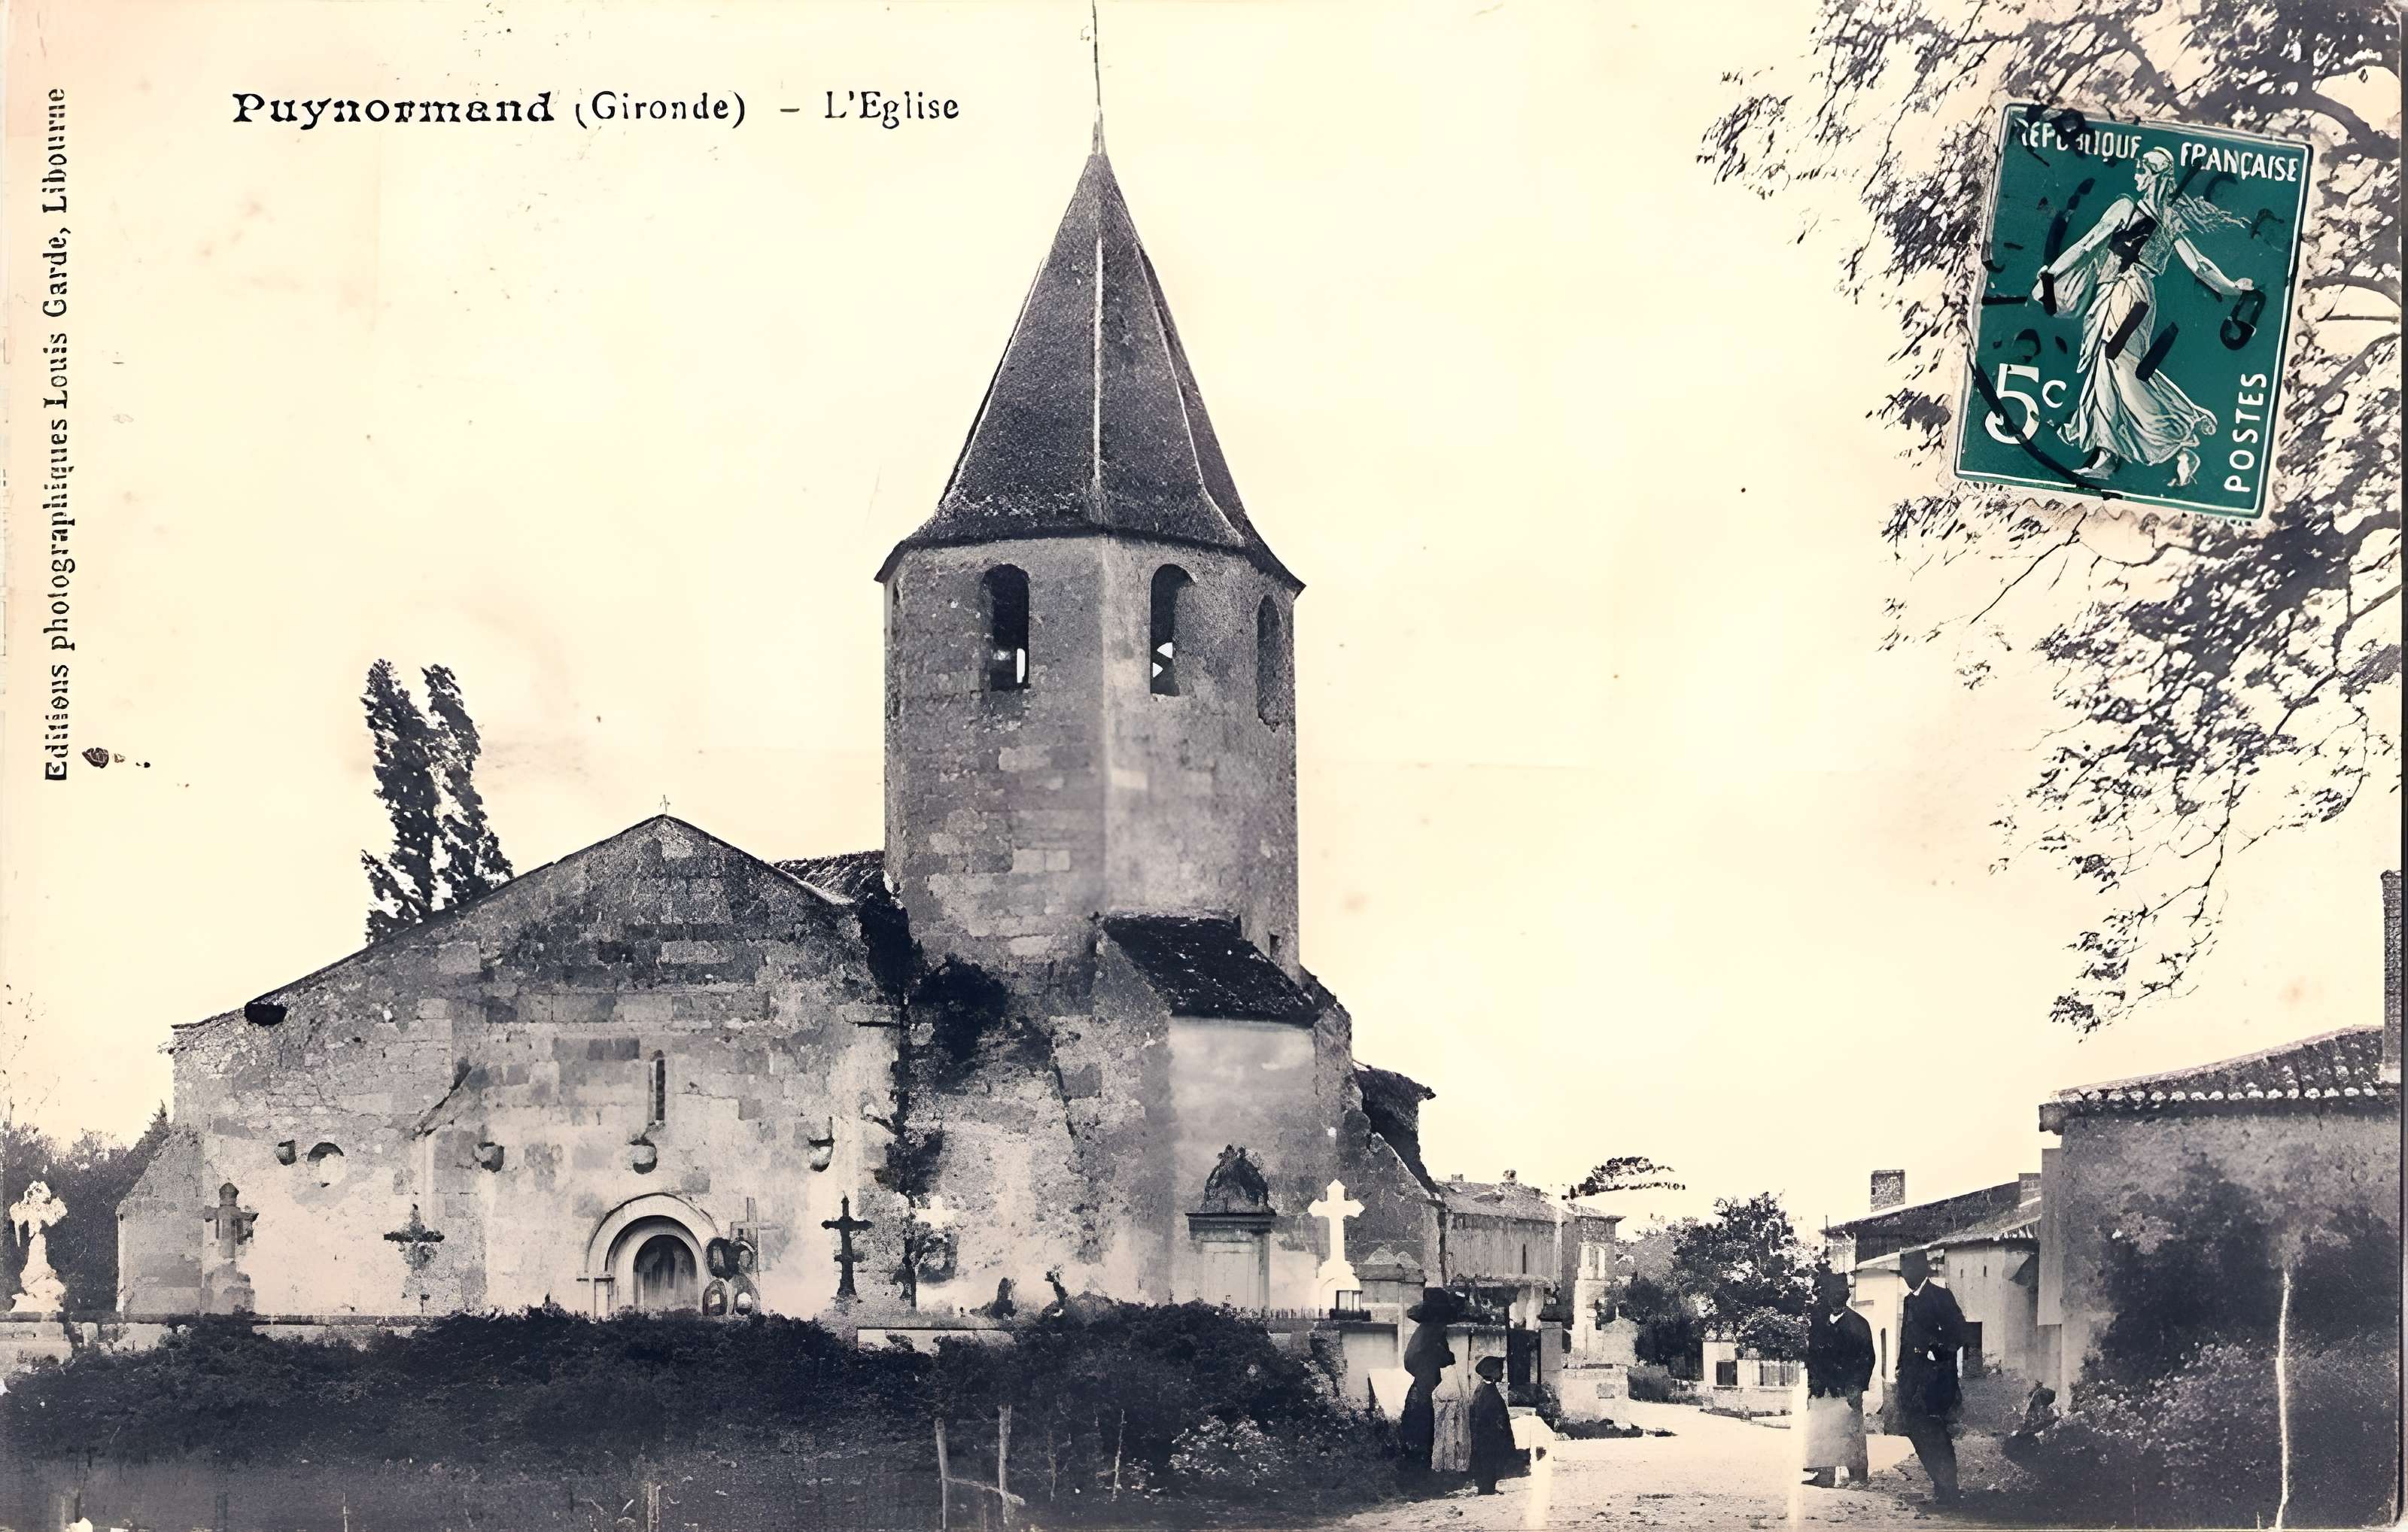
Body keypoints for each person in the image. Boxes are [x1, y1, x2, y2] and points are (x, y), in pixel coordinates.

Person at [2029, 144, 2258, 489]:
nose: (2136, 176)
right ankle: (2155, 443)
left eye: (2142, 170)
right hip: (2115, 293)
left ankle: (2144, 442)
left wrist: (2233, 289)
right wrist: (2051, 274)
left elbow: (2195, 264)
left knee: (2115, 364)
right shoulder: (2140, 211)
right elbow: (2089, 245)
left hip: (2130, 293)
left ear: (2157, 176)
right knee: (2108, 367)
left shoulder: (2158, 216)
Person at [1893, 1248, 1968, 1505]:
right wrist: (1901, 1366)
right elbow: (1907, 1339)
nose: (1906, 1274)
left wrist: (1934, 1352)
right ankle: (1940, 1484)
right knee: (1917, 1432)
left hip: (1936, 1380)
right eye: (1903, 1269)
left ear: (1923, 1268)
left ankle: (1949, 1490)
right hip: (1912, 1381)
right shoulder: (1909, 1300)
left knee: (1936, 1432)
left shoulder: (1941, 1297)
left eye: (1910, 1267)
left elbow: (1958, 1335)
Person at [1801, 1268, 1874, 1488]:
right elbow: (1812, 1354)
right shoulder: (1818, 1323)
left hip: (1848, 1387)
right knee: (1824, 1429)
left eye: (1840, 1293)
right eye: (1831, 1293)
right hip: (1824, 1386)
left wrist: (1857, 1386)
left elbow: (1867, 1358)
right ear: (1826, 1295)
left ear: (1847, 1296)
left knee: (1851, 1431)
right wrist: (1812, 1383)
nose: (1835, 1298)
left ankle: (1858, 1477)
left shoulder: (1859, 1324)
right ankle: (1824, 1475)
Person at [1398, 1289, 1458, 1485]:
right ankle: (1418, 1477)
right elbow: (1445, 1358)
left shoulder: (1426, 1333)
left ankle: (1418, 1472)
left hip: (1421, 1389)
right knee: (1422, 1430)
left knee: (1421, 1430)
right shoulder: (1431, 1336)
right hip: (1423, 1392)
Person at [1467, 1355, 1519, 1495]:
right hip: (1489, 1435)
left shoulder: (1483, 1389)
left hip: (1485, 1434)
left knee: (1488, 1461)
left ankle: (1487, 1487)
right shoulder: (1488, 1392)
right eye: (1500, 1370)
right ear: (1493, 1373)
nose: (1501, 1373)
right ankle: (1486, 1489)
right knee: (1488, 1461)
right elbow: (1497, 1416)